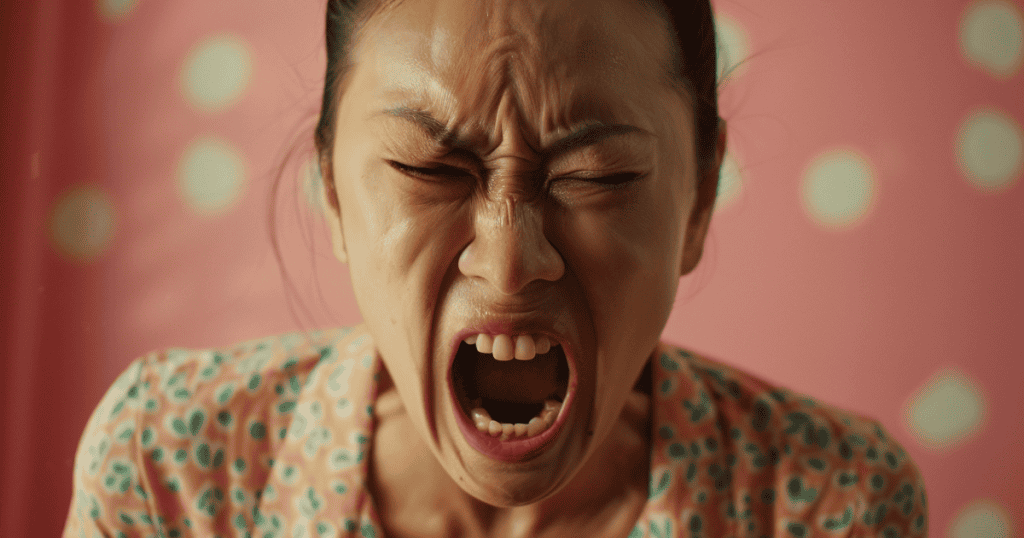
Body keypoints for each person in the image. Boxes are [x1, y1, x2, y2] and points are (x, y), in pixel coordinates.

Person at [64, 0, 927, 536]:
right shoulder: (171, 471)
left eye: (598, 178)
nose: (511, 264)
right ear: (331, 190)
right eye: (427, 171)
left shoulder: (828, 507)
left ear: (698, 199)